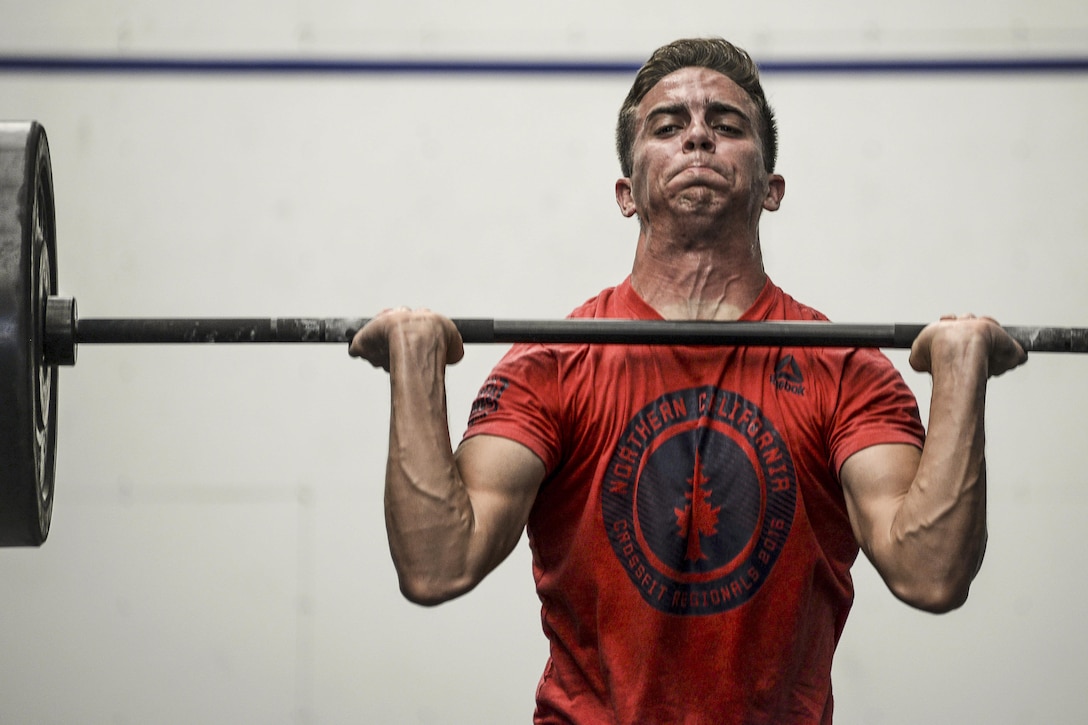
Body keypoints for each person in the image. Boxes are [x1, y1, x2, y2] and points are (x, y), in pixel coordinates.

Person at [350, 37, 1028, 724]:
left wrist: (960, 382)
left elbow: (932, 574)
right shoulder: (551, 364)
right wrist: (415, 373)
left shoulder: (846, 372)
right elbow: (437, 565)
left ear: (772, 188)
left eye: (727, 126)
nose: (698, 136)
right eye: (667, 127)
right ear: (626, 192)